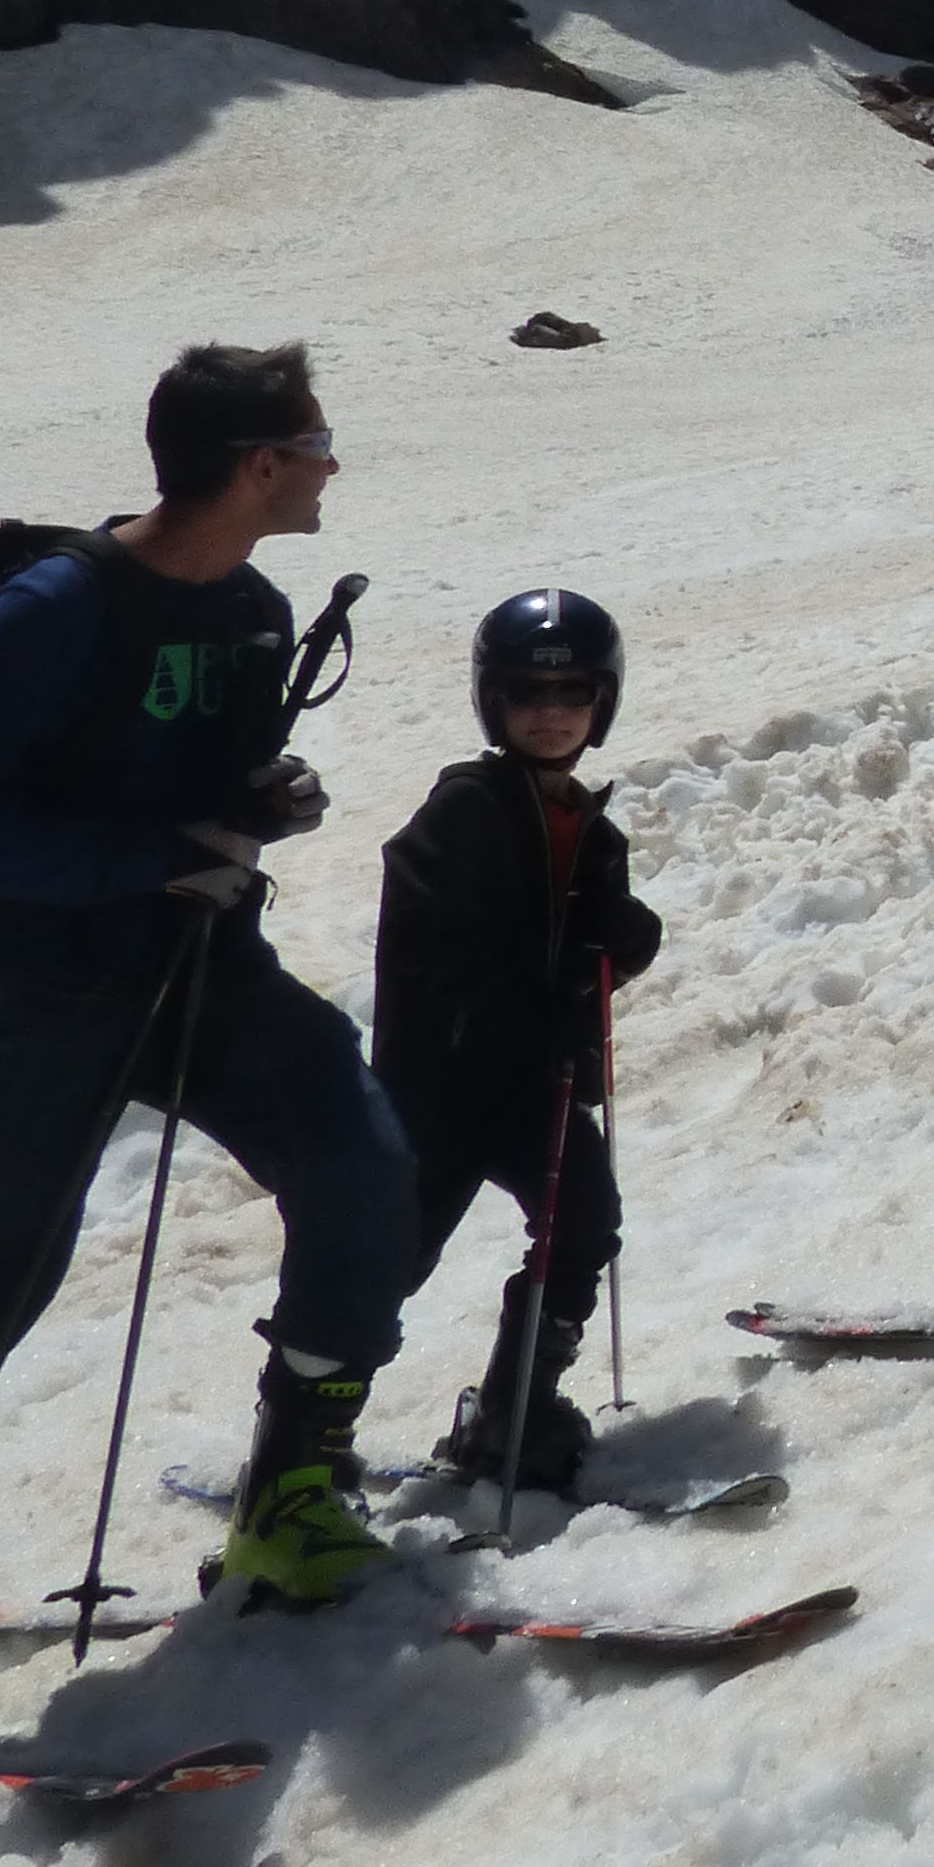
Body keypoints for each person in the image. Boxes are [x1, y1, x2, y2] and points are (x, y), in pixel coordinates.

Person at [0, 343, 414, 1754]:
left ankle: (292, 1494)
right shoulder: (53, 609)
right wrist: (149, 858)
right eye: (315, 443)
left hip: (204, 966)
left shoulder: (255, 608)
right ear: (257, 465)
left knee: (363, 1160)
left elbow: (195, 791)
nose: (331, 464)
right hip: (43, 989)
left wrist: (258, 804)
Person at [375, 591, 664, 1492]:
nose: (551, 713)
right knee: (384, 1260)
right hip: (443, 1088)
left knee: (584, 1220)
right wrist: (530, 1001)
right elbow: (431, 944)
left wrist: (621, 943)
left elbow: (588, 947)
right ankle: (301, 1434)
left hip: (534, 1083)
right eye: (528, 694)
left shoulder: (594, 830)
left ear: (602, 703)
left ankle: (518, 1406)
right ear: (492, 703)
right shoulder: (462, 811)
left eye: (573, 693)